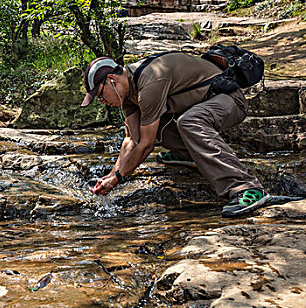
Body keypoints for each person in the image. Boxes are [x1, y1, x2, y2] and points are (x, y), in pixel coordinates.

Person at [81, 53, 271, 217]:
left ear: (112, 80)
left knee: (188, 121)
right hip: (200, 105)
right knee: (155, 122)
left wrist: (118, 179)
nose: (102, 102)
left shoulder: (149, 82)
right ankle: (189, 154)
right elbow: (132, 138)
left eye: (100, 95)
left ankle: (247, 188)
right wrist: (111, 175)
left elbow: (146, 145)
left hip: (229, 101)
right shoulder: (129, 92)